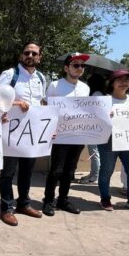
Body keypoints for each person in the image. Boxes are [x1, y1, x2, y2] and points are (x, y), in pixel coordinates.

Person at [0, 43, 48, 226]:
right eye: (26, 52)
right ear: (22, 55)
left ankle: (24, 204)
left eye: (34, 53)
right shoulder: (10, 74)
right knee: (7, 173)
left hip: (31, 133)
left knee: (27, 172)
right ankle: (6, 208)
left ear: (39, 57)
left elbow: (41, 103)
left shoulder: (42, 78)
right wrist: (16, 102)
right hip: (11, 134)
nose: (30, 55)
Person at [41, 52, 90, 216]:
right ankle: (48, 200)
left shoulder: (85, 87)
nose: (79, 68)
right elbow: (47, 108)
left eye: (82, 65)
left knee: (70, 170)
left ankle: (63, 200)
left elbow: (88, 110)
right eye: (76, 65)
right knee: (56, 170)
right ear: (66, 67)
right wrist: (49, 130)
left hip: (78, 135)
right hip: (60, 134)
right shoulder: (55, 85)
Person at [97, 69, 129, 213]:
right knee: (107, 170)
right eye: (120, 79)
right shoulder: (104, 100)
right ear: (112, 83)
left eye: (127, 80)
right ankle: (105, 199)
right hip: (108, 141)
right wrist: (106, 117)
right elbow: (95, 122)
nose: (124, 83)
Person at [78, 73, 107, 184]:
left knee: (94, 152)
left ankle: (94, 176)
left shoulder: (96, 94)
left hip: (94, 127)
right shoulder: (101, 93)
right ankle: (93, 174)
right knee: (95, 152)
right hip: (97, 127)